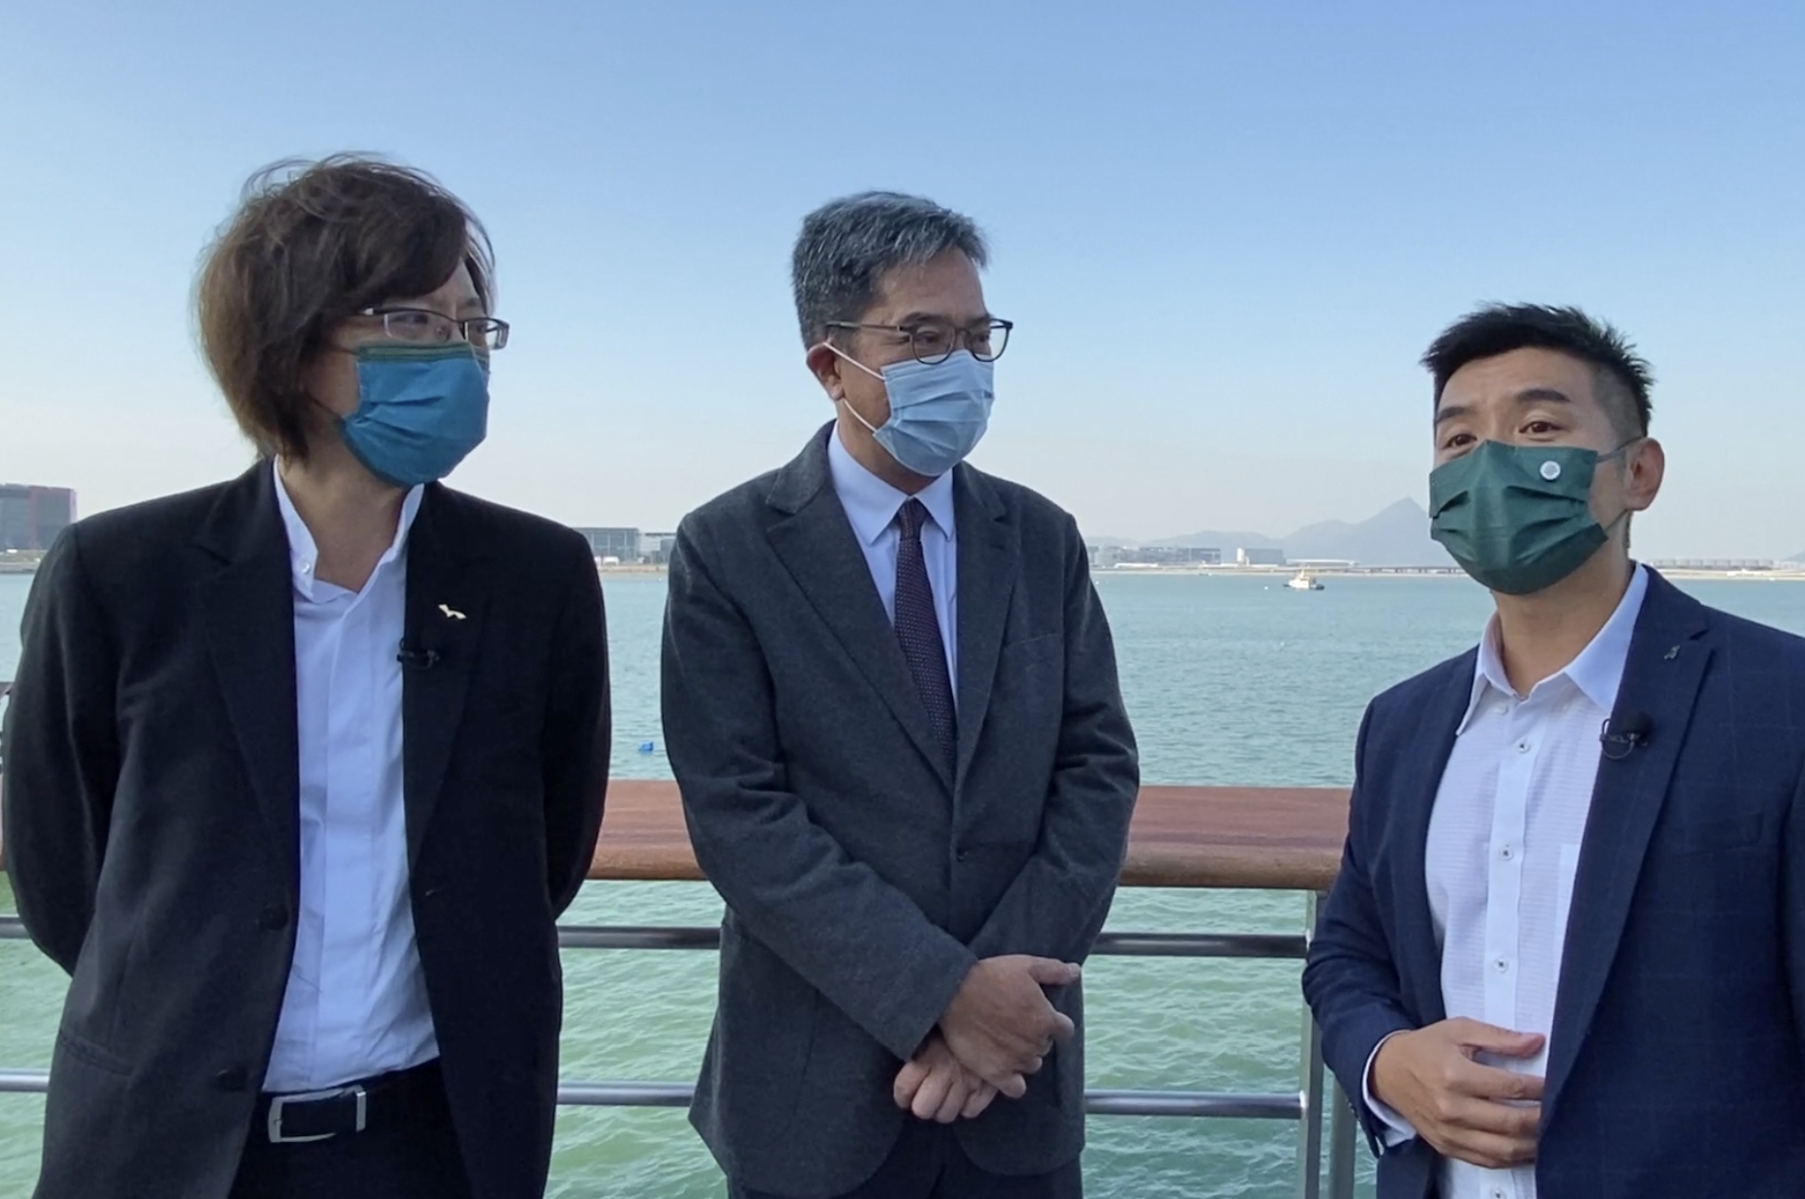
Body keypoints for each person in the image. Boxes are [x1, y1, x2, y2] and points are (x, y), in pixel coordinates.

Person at [0, 155, 611, 1199]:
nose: (460, 356)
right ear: (291, 346)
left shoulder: (535, 577)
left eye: (472, 327)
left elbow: (546, 848)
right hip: (165, 1136)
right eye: (415, 323)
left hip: (441, 1137)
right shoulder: (119, 572)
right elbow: (63, 866)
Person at [1301, 304, 1805, 1199]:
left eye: (1539, 427)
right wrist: (1388, 1062)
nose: (1493, 463)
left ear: (1639, 473)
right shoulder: (1404, 724)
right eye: (1459, 440)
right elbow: (1347, 953)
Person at [659, 191, 1140, 1199]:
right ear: (831, 365)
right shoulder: (729, 547)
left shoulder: (1039, 537)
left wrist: (991, 1006)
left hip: (1016, 1079)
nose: (960, 367)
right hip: (809, 1095)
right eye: (922, 337)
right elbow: (740, 813)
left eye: (977, 337)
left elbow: (1095, 767)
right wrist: (937, 995)